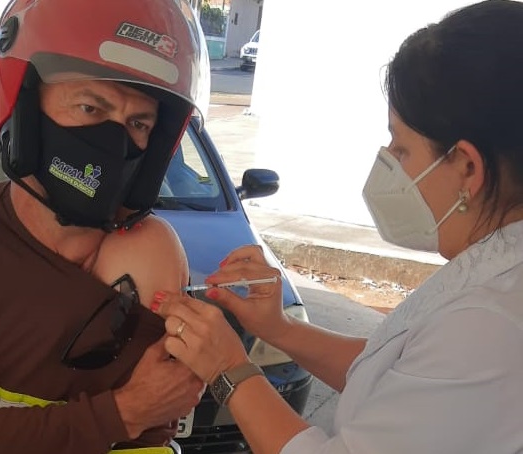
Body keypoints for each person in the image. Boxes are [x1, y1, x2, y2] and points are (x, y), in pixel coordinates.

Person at [151, 1, 523, 453]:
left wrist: (228, 368)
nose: (390, 164)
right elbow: (391, 374)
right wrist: (279, 329)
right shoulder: (489, 276)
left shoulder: (490, 323)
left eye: (401, 148)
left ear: (467, 166)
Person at [0, 1, 210, 453]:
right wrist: (122, 413)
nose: (112, 142)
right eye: (89, 107)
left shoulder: (149, 253)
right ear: (26, 105)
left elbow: (154, 433)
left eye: (138, 123)